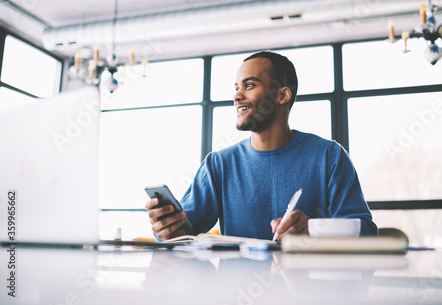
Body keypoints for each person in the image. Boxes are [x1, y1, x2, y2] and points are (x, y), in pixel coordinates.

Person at [146, 51, 377, 241]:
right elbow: (182, 232)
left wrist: (315, 231)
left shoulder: (329, 156)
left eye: (249, 85)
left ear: (282, 95)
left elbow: (366, 231)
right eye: (236, 87)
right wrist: (165, 228)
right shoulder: (218, 164)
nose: (237, 96)